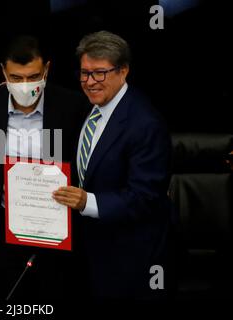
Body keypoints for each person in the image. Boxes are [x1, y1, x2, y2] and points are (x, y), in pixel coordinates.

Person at [0, 35, 88, 300]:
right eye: (16, 78)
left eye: (33, 77)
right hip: (2, 228)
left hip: (56, 229)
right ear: (4, 72)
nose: (26, 85)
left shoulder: (72, 106)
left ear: (47, 70)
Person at [53, 31, 176, 299]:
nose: (90, 82)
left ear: (123, 71)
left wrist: (88, 202)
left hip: (129, 259)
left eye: (100, 73)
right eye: (85, 73)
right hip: (87, 253)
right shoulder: (88, 108)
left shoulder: (145, 124)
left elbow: (145, 198)